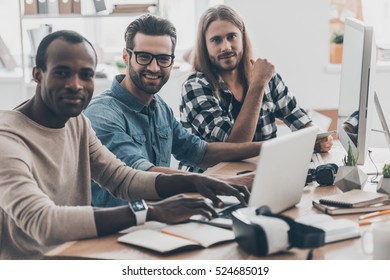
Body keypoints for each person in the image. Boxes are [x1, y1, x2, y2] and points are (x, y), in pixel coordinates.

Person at [0, 30, 251, 259]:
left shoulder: (77, 123)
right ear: (37, 74)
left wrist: (194, 181)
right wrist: (149, 212)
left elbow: (122, 179)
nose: (76, 85)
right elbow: (44, 223)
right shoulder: (7, 138)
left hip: (80, 251)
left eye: (86, 75)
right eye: (62, 72)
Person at [84, 14, 261, 208]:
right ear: (126, 57)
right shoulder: (102, 114)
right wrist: (226, 182)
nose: (154, 67)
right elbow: (139, 175)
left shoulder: (159, 106)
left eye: (163, 59)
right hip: (116, 229)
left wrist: (266, 148)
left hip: (159, 219)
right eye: (144, 57)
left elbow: (198, 151)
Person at [179, 4, 333, 171]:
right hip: (211, 185)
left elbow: (302, 122)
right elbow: (235, 148)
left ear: (243, 38)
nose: (226, 47)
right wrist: (258, 85)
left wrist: (318, 138)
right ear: (205, 45)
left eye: (232, 36)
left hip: (263, 176)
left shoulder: (267, 76)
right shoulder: (195, 86)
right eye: (216, 40)